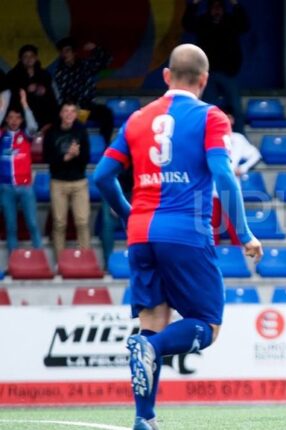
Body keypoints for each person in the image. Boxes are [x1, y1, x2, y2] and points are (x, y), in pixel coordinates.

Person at [93, 44, 262, 430]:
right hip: (186, 231)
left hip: (141, 233)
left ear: (166, 76)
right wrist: (244, 234)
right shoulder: (211, 117)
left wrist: (127, 213)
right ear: (204, 81)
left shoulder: (136, 119)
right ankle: (149, 348)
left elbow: (101, 177)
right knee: (207, 323)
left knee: (153, 319)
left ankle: (144, 417)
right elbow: (224, 177)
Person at [183, 0, 249, 133]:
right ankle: (209, 136)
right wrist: (194, 4)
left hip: (228, 73)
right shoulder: (203, 22)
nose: (217, 10)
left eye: (219, 7)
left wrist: (236, 5)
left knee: (236, 107)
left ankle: (240, 138)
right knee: (208, 108)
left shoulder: (230, 22)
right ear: (209, 9)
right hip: (208, 74)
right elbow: (187, 25)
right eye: (214, 7)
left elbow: (245, 26)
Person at [43, 101, 91, 256]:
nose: (69, 114)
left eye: (72, 111)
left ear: (76, 114)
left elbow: (87, 158)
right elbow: (47, 158)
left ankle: (85, 258)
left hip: (79, 182)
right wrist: (66, 157)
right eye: (66, 111)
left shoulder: (82, 131)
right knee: (59, 224)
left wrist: (77, 155)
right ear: (61, 114)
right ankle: (60, 262)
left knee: (82, 222)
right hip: (58, 182)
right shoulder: (51, 132)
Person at [210, 106, 261, 245]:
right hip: (211, 189)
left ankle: (241, 256)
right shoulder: (209, 137)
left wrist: (243, 168)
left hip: (231, 187)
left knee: (235, 224)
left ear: (231, 120)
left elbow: (255, 155)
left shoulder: (238, 139)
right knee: (211, 226)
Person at [0, 90, 43, 251]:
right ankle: (13, 263)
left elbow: (33, 126)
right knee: (11, 227)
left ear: (21, 120)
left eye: (17, 118)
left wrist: (25, 104)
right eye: (10, 117)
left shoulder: (26, 135)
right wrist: (2, 107)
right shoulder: (2, 135)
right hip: (5, 188)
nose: (13, 121)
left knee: (32, 224)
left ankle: (40, 261)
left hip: (25, 187)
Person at [54, 38, 114, 143]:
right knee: (64, 116)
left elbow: (107, 60)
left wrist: (96, 49)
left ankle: (105, 144)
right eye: (63, 52)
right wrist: (73, 107)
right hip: (71, 108)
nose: (65, 54)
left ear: (74, 52)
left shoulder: (85, 65)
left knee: (106, 113)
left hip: (87, 106)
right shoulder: (60, 72)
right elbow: (63, 94)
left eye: (67, 51)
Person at [7, 44, 59, 132]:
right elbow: (11, 98)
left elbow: (51, 99)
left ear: (36, 58)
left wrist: (39, 88)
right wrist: (26, 89)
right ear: (20, 59)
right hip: (22, 117)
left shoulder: (44, 74)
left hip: (44, 118)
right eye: (25, 56)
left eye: (32, 56)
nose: (29, 59)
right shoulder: (13, 75)